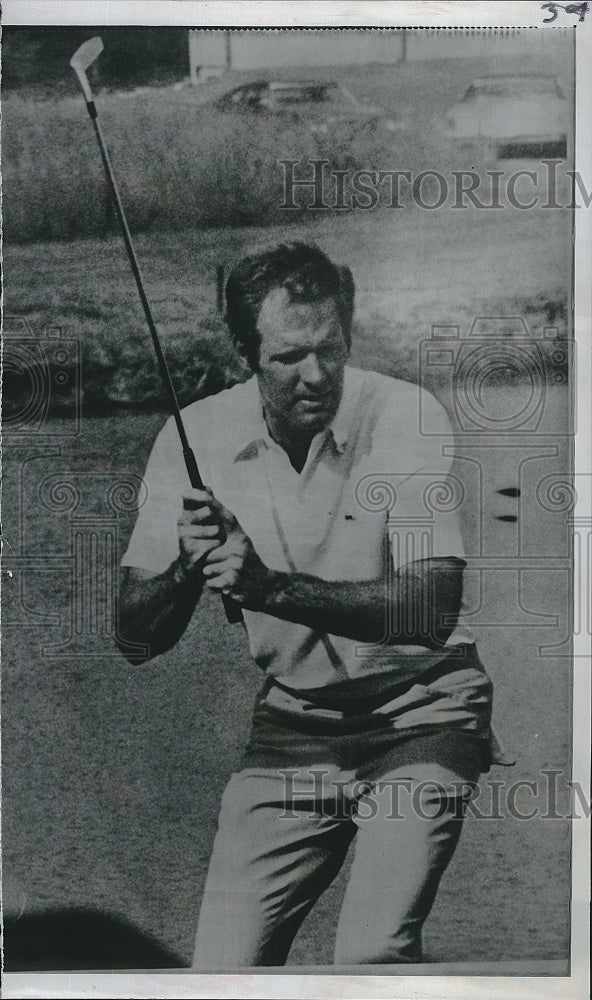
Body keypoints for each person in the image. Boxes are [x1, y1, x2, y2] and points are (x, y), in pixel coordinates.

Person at [118, 242, 496, 969]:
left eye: (331, 349)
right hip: (293, 725)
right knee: (221, 973)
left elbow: (430, 608)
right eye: (289, 357)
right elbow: (135, 638)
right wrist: (189, 569)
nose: (316, 375)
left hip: (421, 712)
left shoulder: (405, 415)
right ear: (242, 350)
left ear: (349, 335)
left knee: (370, 954)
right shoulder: (192, 437)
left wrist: (268, 588)